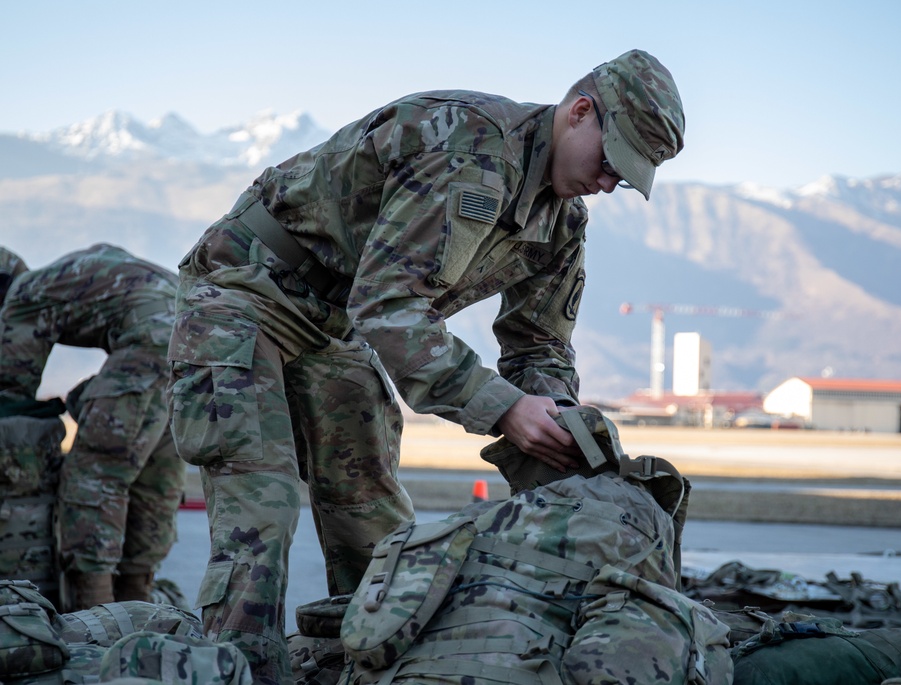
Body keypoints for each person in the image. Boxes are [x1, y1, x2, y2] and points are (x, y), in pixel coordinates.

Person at [167, 48, 685, 683]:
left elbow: (538, 346)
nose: (608, 184)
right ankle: (239, 671)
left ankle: (361, 664)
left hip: (335, 321)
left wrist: (559, 428)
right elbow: (389, 305)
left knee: (371, 507)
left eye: (624, 180)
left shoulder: (562, 222)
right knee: (262, 507)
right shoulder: (469, 149)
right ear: (579, 113)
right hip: (245, 291)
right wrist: (503, 408)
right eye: (610, 163)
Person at [0, 243, 186, 612]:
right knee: (154, 478)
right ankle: (137, 604)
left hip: (152, 340)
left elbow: (10, 393)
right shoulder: (67, 274)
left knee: (95, 476)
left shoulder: (21, 298)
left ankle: (93, 614)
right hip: (195, 338)